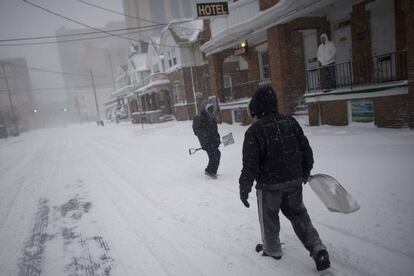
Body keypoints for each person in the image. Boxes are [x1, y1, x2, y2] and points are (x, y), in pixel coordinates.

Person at [239, 86, 330, 271]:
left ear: (256, 106)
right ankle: (317, 248)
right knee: (299, 215)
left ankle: (272, 250)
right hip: (293, 181)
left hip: (269, 185)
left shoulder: (254, 131)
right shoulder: (290, 122)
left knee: (269, 218)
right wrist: (305, 171)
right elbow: (306, 151)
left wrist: (244, 187)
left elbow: (250, 166)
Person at [192, 102, 221, 178]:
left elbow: (215, 130)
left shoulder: (212, 118)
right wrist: (205, 142)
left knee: (217, 154)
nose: (211, 110)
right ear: (205, 109)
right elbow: (198, 132)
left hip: (213, 141)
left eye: (212, 109)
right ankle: (210, 171)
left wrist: (218, 139)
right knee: (214, 155)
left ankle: (210, 170)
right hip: (207, 142)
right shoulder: (200, 118)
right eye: (209, 109)